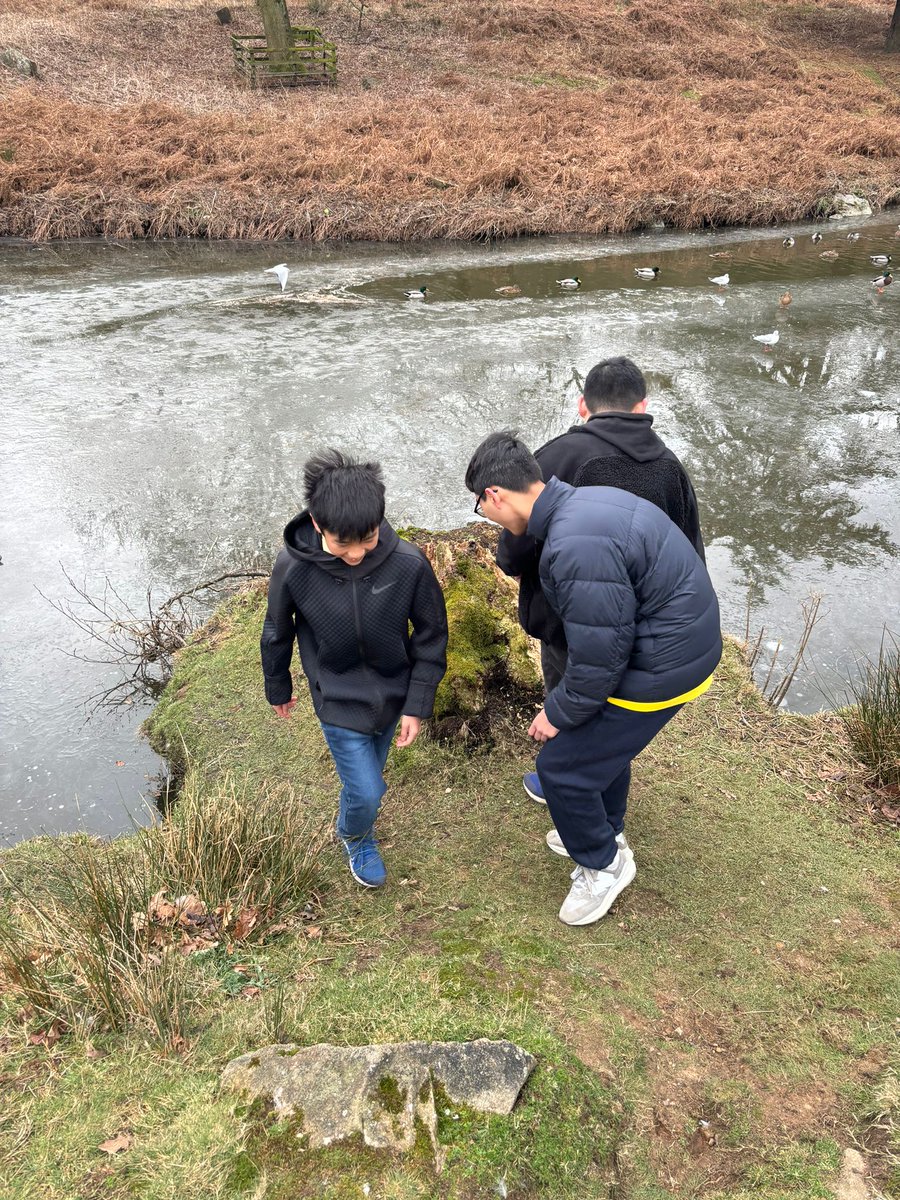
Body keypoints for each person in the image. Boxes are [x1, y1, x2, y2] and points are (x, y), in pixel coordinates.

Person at [467, 431, 721, 926]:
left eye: (482, 508)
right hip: (681, 642)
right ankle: (609, 829)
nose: (488, 518)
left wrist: (556, 712)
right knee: (598, 747)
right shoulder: (582, 504)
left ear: (494, 495)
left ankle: (603, 865)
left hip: (664, 665)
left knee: (562, 768)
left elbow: (601, 655)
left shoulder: (573, 545)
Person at [261, 450, 448, 889]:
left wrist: (417, 703)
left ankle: (356, 816)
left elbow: (431, 634)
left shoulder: (408, 563)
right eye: (342, 543)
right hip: (336, 695)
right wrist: (278, 684)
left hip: (394, 693)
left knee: (369, 780)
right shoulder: (292, 568)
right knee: (368, 790)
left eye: (366, 539)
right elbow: (276, 630)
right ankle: (356, 835)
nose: (356, 553)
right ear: (317, 524)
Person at [496, 356, 705, 705]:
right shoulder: (671, 468)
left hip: (570, 636)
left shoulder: (555, 459)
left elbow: (514, 553)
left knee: (572, 719)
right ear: (642, 407)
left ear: (582, 406)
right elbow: (690, 555)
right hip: (648, 640)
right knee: (613, 727)